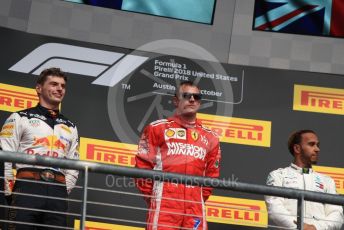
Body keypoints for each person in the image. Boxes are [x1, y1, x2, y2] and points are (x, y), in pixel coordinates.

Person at [0, 67, 80, 229]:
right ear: (38, 88)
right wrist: (10, 193)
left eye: (63, 86)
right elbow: (5, 157)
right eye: (54, 84)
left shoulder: (71, 127)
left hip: (58, 193)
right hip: (27, 187)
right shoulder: (20, 117)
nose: (59, 89)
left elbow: (74, 166)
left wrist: (63, 190)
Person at [135, 81, 221, 230]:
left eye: (197, 96)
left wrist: (197, 197)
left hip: (195, 207)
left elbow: (212, 175)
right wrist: (155, 197)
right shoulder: (157, 128)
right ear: (176, 101)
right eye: (187, 95)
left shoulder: (210, 137)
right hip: (165, 205)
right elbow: (142, 167)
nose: (192, 99)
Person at [265, 130, 343, 230]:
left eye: (317, 145)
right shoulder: (278, 175)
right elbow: (274, 208)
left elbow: (337, 214)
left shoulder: (327, 181)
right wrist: (299, 227)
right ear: (297, 148)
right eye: (311, 144)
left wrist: (315, 228)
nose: (317, 149)